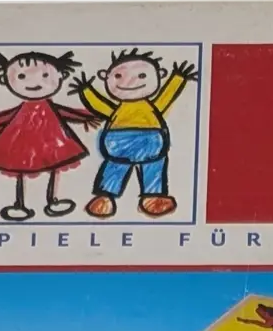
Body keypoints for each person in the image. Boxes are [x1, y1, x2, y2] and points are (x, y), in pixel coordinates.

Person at [0, 50, 100, 221]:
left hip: (52, 142)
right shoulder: (23, 109)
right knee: (21, 171)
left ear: (61, 76)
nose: (34, 82)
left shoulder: (49, 106)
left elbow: (65, 112)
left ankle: (51, 200)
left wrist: (85, 117)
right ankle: (20, 204)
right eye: (22, 76)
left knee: (53, 167)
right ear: (5, 79)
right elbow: (6, 116)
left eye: (45, 75)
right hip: (22, 143)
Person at [78, 50, 199, 217]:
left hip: (132, 141)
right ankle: (108, 198)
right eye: (119, 76)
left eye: (142, 75)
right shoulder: (142, 108)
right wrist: (85, 90)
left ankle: (143, 198)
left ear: (160, 75)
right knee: (138, 166)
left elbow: (166, 97)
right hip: (137, 141)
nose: (130, 81)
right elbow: (101, 106)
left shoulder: (131, 109)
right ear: (105, 76)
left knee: (128, 166)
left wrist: (178, 78)